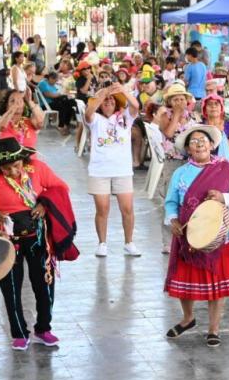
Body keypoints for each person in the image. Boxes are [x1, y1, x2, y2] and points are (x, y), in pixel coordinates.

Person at [0, 138, 69, 350]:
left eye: (16, 166)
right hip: (7, 239)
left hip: (38, 236)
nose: (13, 172)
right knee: (11, 287)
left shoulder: (38, 169)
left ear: (23, 160)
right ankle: (18, 332)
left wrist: (44, 203)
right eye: (7, 169)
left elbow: (61, 187)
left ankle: (44, 329)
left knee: (44, 283)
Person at [164, 125, 229, 347]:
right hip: (188, 236)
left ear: (212, 145)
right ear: (188, 149)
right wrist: (173, 220)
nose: (200, 144)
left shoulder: (227, 169)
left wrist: (224, 197)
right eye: (194, 141)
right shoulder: (180, 173)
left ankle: (214, 328)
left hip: (219, 236)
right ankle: (188, 318)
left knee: (217, 285)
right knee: (184, 281)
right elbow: (171, 201)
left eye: (204, 140)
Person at [84, 83, 142, 258]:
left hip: (122, 170)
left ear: (117, 103)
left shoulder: (125, 118)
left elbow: (136, 106)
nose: (108, 102)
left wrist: (122, 91)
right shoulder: (95, 120)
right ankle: (102, 243)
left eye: (111, 100)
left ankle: (129, 242)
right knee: (102, 209)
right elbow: (88, 111)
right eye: (105, 101)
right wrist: (103, 94)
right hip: (99, 171)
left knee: (127, 208)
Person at [155, 83, 197, 252]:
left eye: (182, 99)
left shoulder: (192, 116)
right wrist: (177, 114)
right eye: (176, 99)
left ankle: (189, 236)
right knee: (171, 198)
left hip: (190, 161)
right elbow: (169, 133)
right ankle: (168, 240)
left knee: (189, 199)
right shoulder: (166, 115)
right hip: (173, 161)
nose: (180, 102)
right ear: (170, 102)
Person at [201, 93, 229, 166]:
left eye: (216, 104)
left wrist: (221, 133)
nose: (213, 106)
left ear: (221, 108)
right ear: (205, 110)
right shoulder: (200, 127)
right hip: (207, 165)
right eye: (209, 104)